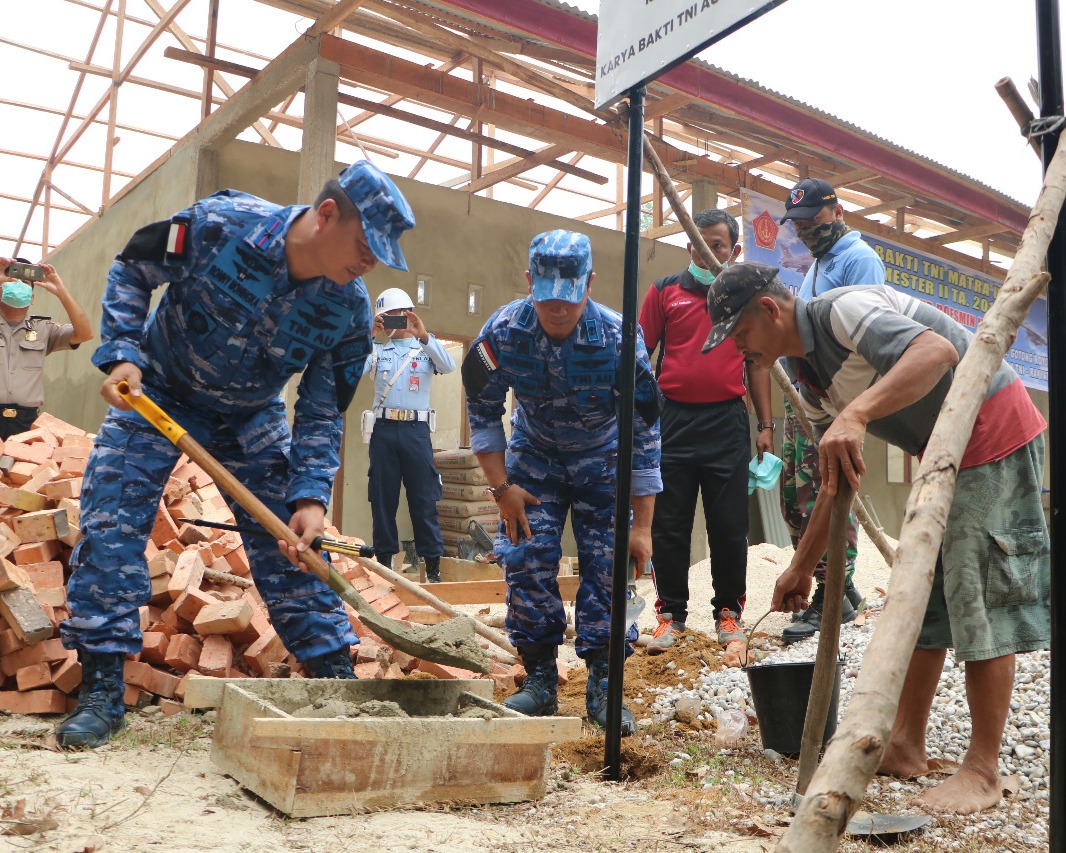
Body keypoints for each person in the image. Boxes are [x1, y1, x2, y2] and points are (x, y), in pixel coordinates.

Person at [55, 160, 416, 750]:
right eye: (363, 245)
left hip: (251, 415)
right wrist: (123, 353)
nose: (369, 262)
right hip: (159, 392)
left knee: (295, 547)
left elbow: (323, 409)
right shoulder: (221, 224)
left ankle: (332, 674)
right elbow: (131, 267)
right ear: (327, 215)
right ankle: (100, 687)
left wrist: (310, 496)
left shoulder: (349, 310)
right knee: (112, 522)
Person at [704, 262, 1049, 815]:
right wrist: (800, 566)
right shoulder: (810, 379)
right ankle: (906, 744)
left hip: (990, 430)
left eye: (740, 335)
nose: (740, 351)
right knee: (922, 596)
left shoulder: (844, 311)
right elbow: (834, 483)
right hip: (941, 452)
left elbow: (937, 351)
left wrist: (859, 413)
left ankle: (984, 770)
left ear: (769, 310)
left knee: (981, 593)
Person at [462, 229, 661, 735]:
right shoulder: (503, 332)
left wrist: (642, 526)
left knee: (610, 569)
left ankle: (603, 684)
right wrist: (501, 489)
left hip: (605, 461)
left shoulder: (620, 340)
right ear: (529, 281)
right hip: (535, 460)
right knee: (526, 557)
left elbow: (644, 431)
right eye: (547, 298)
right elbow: (482, 413)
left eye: (568, 300)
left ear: (590, 283)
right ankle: (541, 681)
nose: (557, 311)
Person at [638, 209, 773, 652]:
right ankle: (670, 616)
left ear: (733, 252)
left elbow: (757, 362)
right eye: (700, 242)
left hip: (727, 423)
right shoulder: (664, 292)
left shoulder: (744, 299)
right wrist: (640, 421)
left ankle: (729, 614)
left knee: (729, 525)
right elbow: (641, 355)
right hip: (672, 421)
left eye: (718, 245)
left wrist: (765, 425)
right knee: (669, 525)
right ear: (688, 245)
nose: (707, 250)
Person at [777, 178, 887, 644]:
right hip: (807, 393)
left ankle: (834, 591)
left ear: (836, 211)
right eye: (797, 225)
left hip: (834, 396)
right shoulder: (819, 263)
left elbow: (857, 335)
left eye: (812, 221)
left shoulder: (857, 260)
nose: (805, 231)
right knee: (793, 495)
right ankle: (835, 586)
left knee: (828, 489)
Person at [364, 287, 455, 582]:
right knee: (382, 498)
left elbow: (448, 365)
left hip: (417, 431)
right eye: (383, 318)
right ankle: (386, 564)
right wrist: (369, 335)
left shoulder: (425, 349)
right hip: (384, 430)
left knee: (424, 499)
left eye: (393, 317)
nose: (390, 323)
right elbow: (352, 368)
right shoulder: (377, 351)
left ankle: (433, 570)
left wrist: (424, 335)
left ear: (407, 314)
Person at [0, 258, 93, 438]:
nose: (18, 284)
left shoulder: (43, 330)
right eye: (12, 279)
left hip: (26, 423)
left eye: (25, 282)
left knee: (23, 467)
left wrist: (61, 291)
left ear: (32, 298)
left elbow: (85, 333)